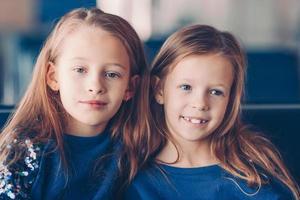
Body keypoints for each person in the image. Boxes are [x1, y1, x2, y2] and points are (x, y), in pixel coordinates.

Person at [124, 25, 300, 199]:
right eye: (186, 87)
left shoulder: (253, 178)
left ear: (230, 100)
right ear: (159, 90)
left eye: (216, 92)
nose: (200, 104)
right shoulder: (131, 178)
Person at [0, 7, 148, 200]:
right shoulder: (24, 149)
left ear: (130, 87)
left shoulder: (139, 148)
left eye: (112, 74)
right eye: (80, 70)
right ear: (53, 77)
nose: (95, 86)